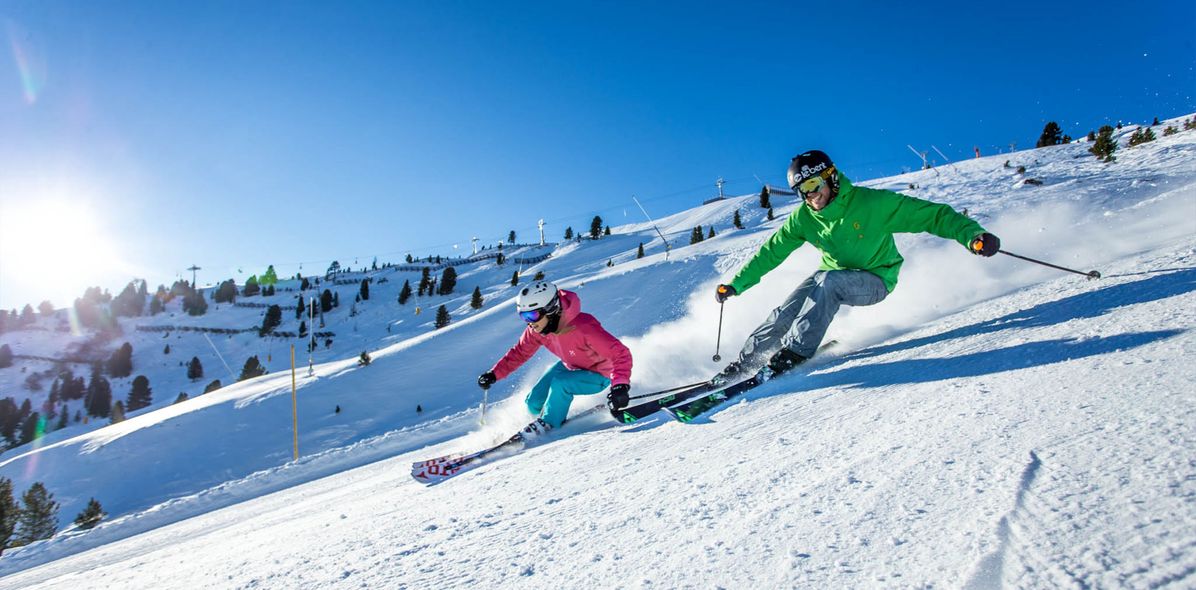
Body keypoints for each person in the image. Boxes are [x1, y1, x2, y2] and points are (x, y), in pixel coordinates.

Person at [713, 149, 1000, 383]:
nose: (809, 196)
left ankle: (796, 351)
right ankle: (746, 362)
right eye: (801, 190)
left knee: (828, 283)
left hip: (876, 278)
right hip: (831, 276)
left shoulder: (872, 204)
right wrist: (737, 284)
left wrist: (973, 236)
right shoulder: (804, 218)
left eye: (813, 185)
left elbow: (932, 216)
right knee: (789, 307)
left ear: (831, 178)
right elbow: (771, 252)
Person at [477, 281, 633, 431]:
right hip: (571, 366)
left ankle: (549, 423)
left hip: (600, 374)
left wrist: (620, 385)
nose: (530, 323)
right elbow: (519, 352)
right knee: (534, 401)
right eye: (524, 317)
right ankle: (537, 421)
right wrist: (494, 374)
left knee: (561, 384)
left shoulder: (583, 326)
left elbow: (620, 353)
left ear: (551, 309)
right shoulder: (537, 330)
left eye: (532, 315)